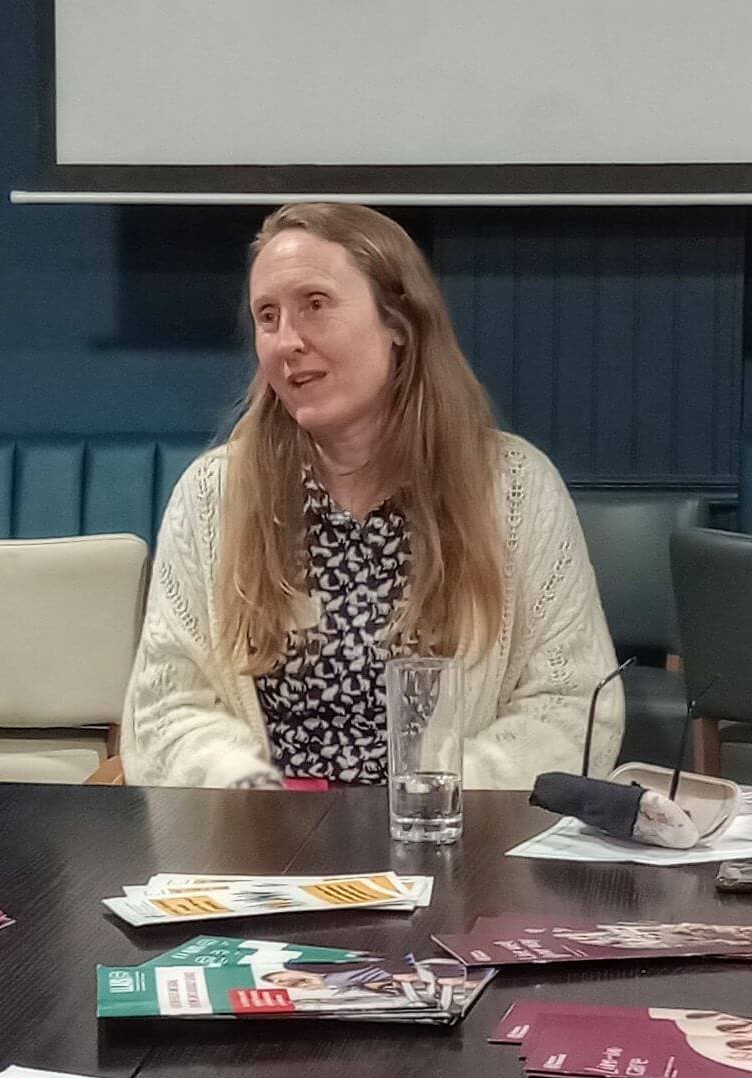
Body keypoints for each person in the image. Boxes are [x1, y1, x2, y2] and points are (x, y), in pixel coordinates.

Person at [120, 202, 623, 790]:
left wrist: (434, 792)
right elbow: (163, 713)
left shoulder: (517, 489)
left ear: (398, 325)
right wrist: (252, 793)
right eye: (267, 316)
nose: (287, 342)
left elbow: (572, 709)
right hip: (258, 835)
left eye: (315, 304)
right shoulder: (211, 496)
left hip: (452, 831)